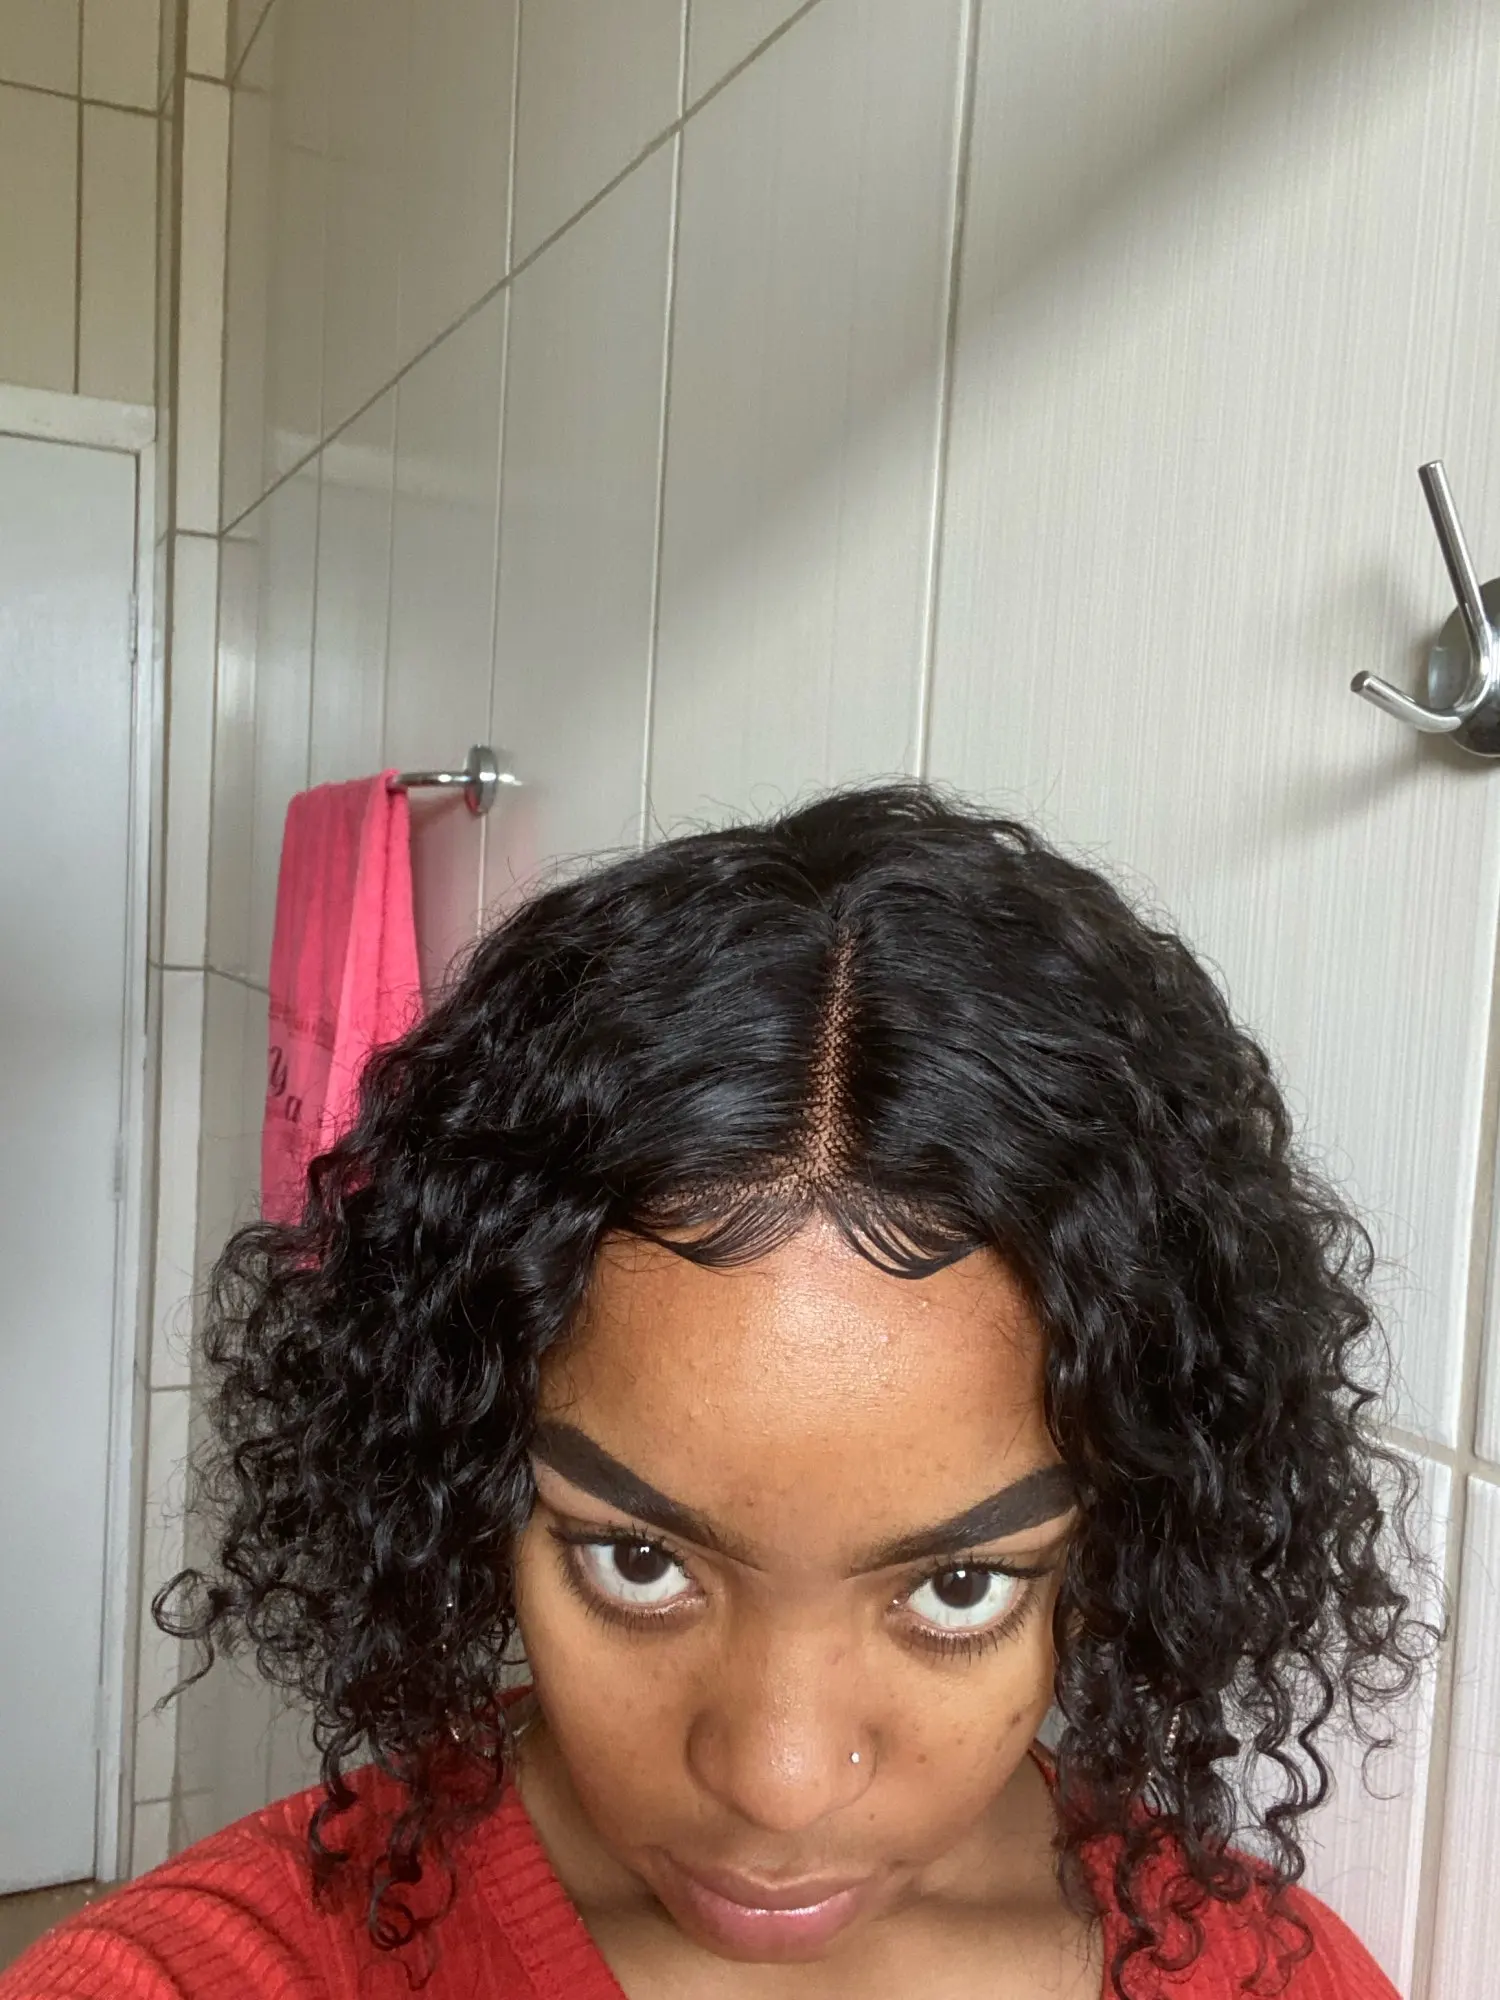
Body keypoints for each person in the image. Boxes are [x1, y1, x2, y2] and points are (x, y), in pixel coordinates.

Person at [2, 786, 1430, 1998]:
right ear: (467, 1478)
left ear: (1133, 1531)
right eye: (637, 1562)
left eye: (958, 1589)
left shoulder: (1268, 1978)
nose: (777, 1783)